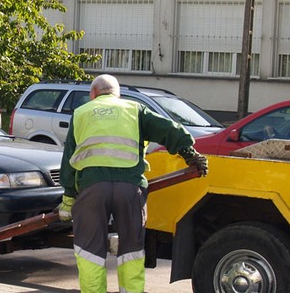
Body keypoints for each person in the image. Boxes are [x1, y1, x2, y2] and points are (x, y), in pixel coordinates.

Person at [57, 74, 208, 293]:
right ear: (117, 94)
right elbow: (169, 129)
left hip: (92, 189)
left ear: (93, 94)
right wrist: (190, 154)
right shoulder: (134, 110)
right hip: (130, 189)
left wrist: (69, 198)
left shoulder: (81, 114)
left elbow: (69, 160)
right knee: (131, 250)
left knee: (89, 251)